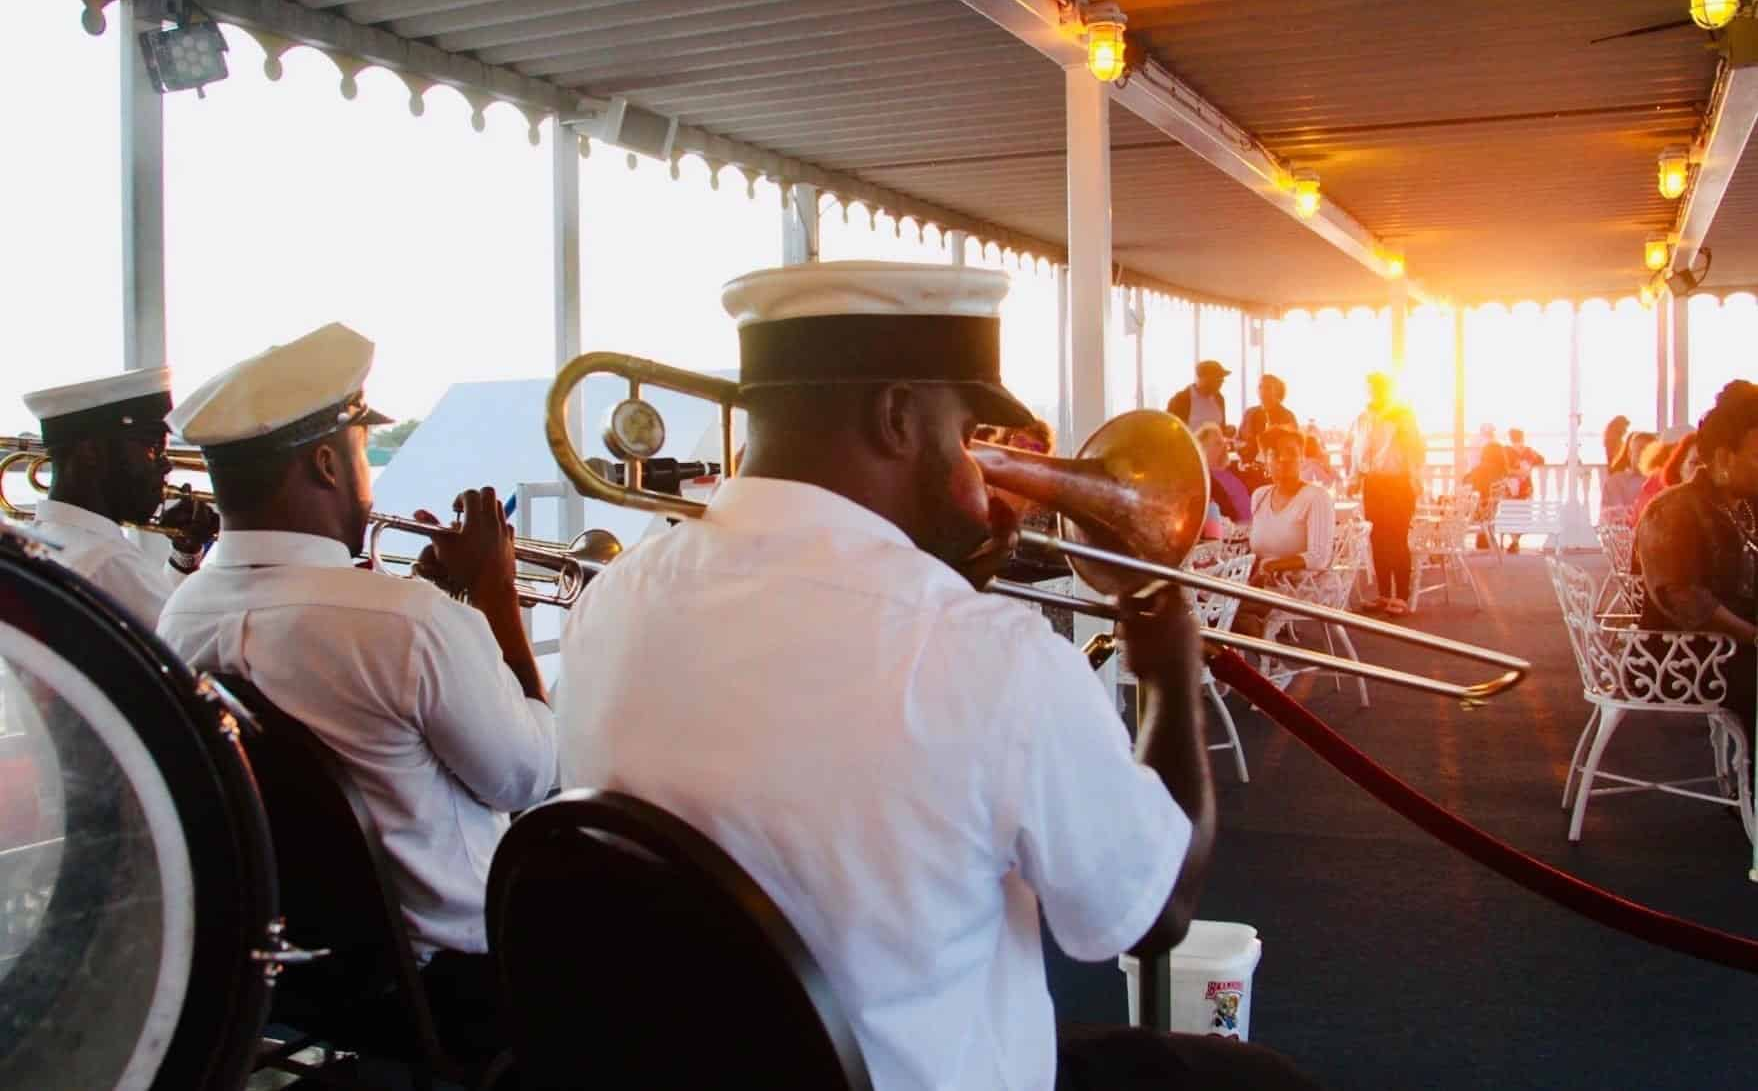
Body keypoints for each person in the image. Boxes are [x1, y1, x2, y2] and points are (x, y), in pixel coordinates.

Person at [555, 262, 1318, 1091]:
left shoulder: (611, 601)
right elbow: (1154, 911)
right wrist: (1168, 676)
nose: (978, 466)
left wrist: (939, 584)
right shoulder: (990, 657)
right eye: (963, 435)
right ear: (896, 418)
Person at [156, 323, 554, 1062]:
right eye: (365, 451)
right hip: (459, 994)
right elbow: (531, 778)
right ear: (327, 464)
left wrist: (446, 614)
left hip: (297, 978)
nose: (370, 477)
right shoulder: (409, 626)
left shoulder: (179, 614)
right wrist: (496, 601)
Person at [20, 367, 218, 626]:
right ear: (91, 452)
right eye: (153, 448)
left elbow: (160, 620)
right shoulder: (109, 563)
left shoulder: (40, 540)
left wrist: (185, 554)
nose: (166, 466)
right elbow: (187, 642)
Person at [1636, 380, 1758, 746]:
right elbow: (1682, 596)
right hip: (1682, 658)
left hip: (1731, 649)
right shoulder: (1673, 509)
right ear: (1723, 458)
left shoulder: (1746, 506)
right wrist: (1753, 636)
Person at [1235, 427, 1337, 638]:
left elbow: (1320, 557)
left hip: (1300, 585)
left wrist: (1273, 566)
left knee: (1222, 614)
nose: (1283, 459)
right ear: (1266, 460)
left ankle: (1261, 657)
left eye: (1291, 452)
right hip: (1261, 584)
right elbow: (1255, 546)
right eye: (1274, 454)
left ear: (1302, 458)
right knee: (1205, 606)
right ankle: (1258, 656)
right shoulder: (1260, 496)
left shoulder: (1316, 497)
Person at [1347, 372, 1423, 615]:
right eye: (1371, 388)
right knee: (1376, 540)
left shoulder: (1404, 416)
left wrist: (1415, 479)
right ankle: (1382, 594)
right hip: (1374, 484)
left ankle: (1400, 596)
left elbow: (1418, 451)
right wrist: (1355, 479)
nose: (1375, 392)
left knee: (1397, 539)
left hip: (1399, 484)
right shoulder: (1362, 418)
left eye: (1380, 388)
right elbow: (1356, 452)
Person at [1636, 431, 1699, 524]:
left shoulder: (1722, 509)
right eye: (1695, 463)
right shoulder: (1661, 505)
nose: (1701, 470)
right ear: (1679, 467)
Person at [1195, 422, 1252, 523]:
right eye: (1218, 443)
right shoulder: (1202, 480)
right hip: (1234, 532)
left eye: (1223, 442)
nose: (1224, 446)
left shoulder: (1233, 470)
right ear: (1203, 447)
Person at [1238, 374, 1297, 463]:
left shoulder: (1287, 415)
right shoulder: (1249, 413)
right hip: (1249, 466)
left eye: (1268, 388)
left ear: (1277, 391)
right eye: (1260, 387)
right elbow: (1239, 440)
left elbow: (1293, 446)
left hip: (1276, 467)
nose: (1262, 391)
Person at [1600, 429, 1654, 518]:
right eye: (1640, 449)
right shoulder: (1616, 481)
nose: (1644, 454)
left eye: (1649, 451)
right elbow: (1616, 513)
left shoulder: (1660, 482)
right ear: (1630, 453)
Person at [1167, 359, 1229, 432]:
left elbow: (1221, 428)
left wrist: (1228, 431)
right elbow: (1170, 429)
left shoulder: (1219, 398)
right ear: (1202, 378)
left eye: (1221, 380)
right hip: (1188, 443)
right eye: (1217, 379)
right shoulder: (1181, 399)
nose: (1220, 383)